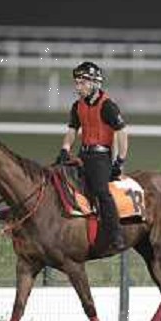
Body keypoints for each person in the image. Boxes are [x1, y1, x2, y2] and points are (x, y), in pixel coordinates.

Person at [56, 61, 128, 251]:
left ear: (95, 83)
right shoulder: (77, 106)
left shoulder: (108, 106)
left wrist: (120, 160)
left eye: (82, 82)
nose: (78, 87)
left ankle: (116, 233)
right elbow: (72, 130)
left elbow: (122, 133)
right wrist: (65, 148)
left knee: (101, 192)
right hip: (83, 154)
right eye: (76, 83)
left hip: (101, 158)